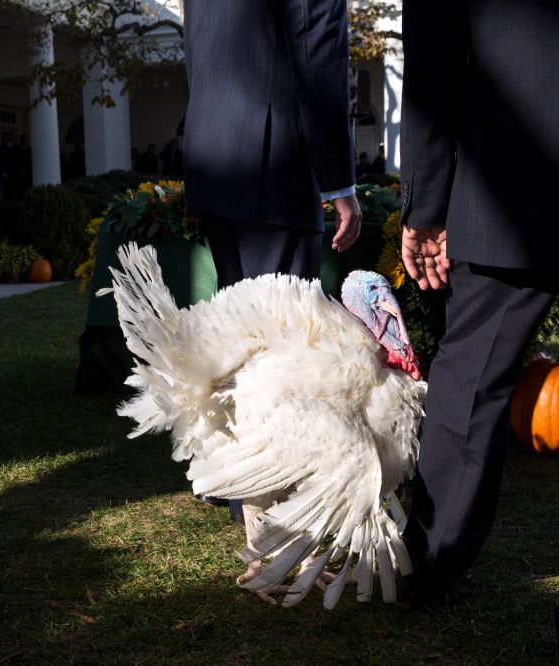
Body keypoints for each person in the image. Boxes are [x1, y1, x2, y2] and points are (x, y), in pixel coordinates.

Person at [399, 3, 559, 663]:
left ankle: (428, 562)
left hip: (511, 176)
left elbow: (433, 50)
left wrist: (425, 204)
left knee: (470, 383)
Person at [183, 0, 362, 524]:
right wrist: (338, 180)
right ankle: (263, 496)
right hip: (275, 157)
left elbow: (198, 42)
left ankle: (236, 482)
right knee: (279, 345)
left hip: (215, 150)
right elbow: (319, 48)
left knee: (238, 336)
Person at [0, 130, 17, 200]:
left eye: (12, 136)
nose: (11, 137)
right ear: (6, 137)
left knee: (16, 190)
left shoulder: (16, 147)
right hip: (7, 173)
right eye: (9, 136)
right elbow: (1, 162)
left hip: (16, 173)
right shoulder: (1, 148)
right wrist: (4, 173)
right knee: (8, 190)